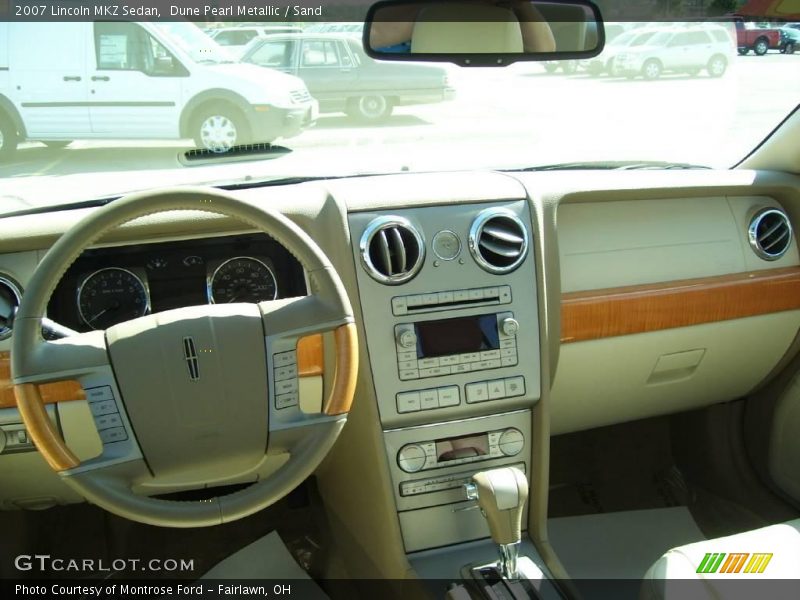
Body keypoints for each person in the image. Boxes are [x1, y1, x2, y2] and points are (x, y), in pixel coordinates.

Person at [370, 0, 557, 53]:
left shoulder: (506, 8)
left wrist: (522, 5)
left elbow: (545, 48)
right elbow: (375, 34)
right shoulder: (399, 9)